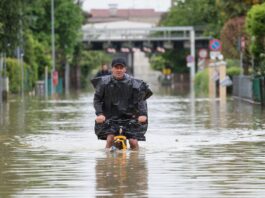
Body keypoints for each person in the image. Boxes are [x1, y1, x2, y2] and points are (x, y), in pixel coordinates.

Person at [91, 57, 152, 150]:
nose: (119, 70)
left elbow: (141, 99)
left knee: (133, 142)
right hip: (110, 118)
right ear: (112, 69)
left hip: (130, 118)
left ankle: (136, 162)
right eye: (116, 68)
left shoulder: (134, 83)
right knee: (110, 139)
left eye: (121, 68)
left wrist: (142, 114)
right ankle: (106, 161)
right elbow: (97, 99)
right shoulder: (103, 83)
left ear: (125, 69)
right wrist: (99, 114)